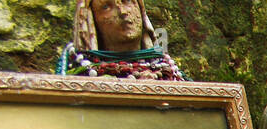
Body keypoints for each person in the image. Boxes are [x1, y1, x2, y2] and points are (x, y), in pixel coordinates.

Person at [57, 0, 186, 80]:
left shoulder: (168, 69)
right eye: (106, 7)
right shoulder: (80, 76)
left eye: (128, 1)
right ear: (90, 19)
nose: (123, 12)